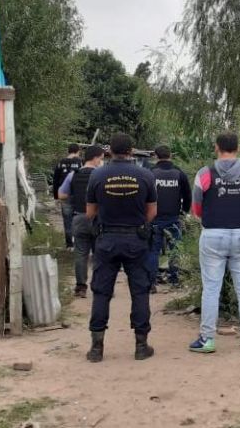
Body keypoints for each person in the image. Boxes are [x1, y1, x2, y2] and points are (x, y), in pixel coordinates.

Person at [188, 131, 240, 354]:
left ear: (216, 148)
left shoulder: (205, 173)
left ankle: (207, 340)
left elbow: (196, 207)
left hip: (212, 235)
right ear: (237, 148)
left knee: (211, 289)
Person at [85, 134, 157, 362]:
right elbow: (152, 212)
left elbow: (89, 212)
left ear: (109, 152)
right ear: (132, 150)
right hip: (136, 239)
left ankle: (97, 348)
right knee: (140, 291)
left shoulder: (97, 174)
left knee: (101, 292)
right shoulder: (145, 175)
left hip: (106, 240)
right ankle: (141, 346)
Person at [58, 145, 106, 299]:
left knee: (80, 253)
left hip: (79, 217)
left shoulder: (73, 175)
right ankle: (100, 286)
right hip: (98, 219)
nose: (102, 161)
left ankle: (80, 287)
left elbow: (61, 195)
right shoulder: (101, 175)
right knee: (99, 253)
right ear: (96, 158)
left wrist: (75, 196)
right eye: (102, 158)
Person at [147, 145, 192, 292]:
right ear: (170, 155)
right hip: (173, 218)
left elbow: (144, 195)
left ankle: (151, 283)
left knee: (153, 250)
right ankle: (174, 279)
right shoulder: (179, 173)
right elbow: (188, 195)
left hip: (154, 218)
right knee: (175, 249)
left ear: (155, 156)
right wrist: (183, 212)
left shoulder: (150, 173)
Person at [51, 143, 82, 249]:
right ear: (78, 151)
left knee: (67, 220)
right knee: (78, 219)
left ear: (68, 151)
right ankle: (78, 243)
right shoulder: (80, 162)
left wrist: (55, 197)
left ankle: (69, 245)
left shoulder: (60, 163)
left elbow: (55, 180)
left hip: (64, 195)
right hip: (78, 195)